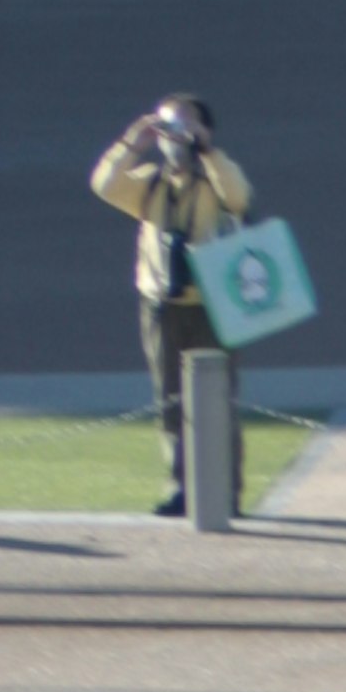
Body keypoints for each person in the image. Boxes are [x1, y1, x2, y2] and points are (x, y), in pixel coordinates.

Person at [90, 96, 252, 513]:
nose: (173, 138)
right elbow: (105, 185)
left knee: (219, 399)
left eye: (183, 128)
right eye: (168, 129)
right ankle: (181, 487)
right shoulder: (151, 183)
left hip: (215, 305)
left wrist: (207, 151)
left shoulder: (216, 177)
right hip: (161, 304)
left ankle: (226, 492)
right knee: (170, 400)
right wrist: (133, 142)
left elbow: (238, 197)